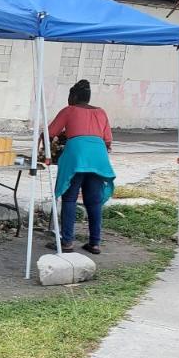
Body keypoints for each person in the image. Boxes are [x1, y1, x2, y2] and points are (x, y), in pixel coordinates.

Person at [46, 79, 116, 254]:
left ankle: (67, 242)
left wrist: (47, 149)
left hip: (76, 156)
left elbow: (50, 132)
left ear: (74, 96)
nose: (68, 99)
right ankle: (94, 243)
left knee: (69, 199)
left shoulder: (69, 110)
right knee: (94, 201)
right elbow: (107, 139)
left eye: (70, 96)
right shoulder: (101, 112)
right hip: (99, 157)